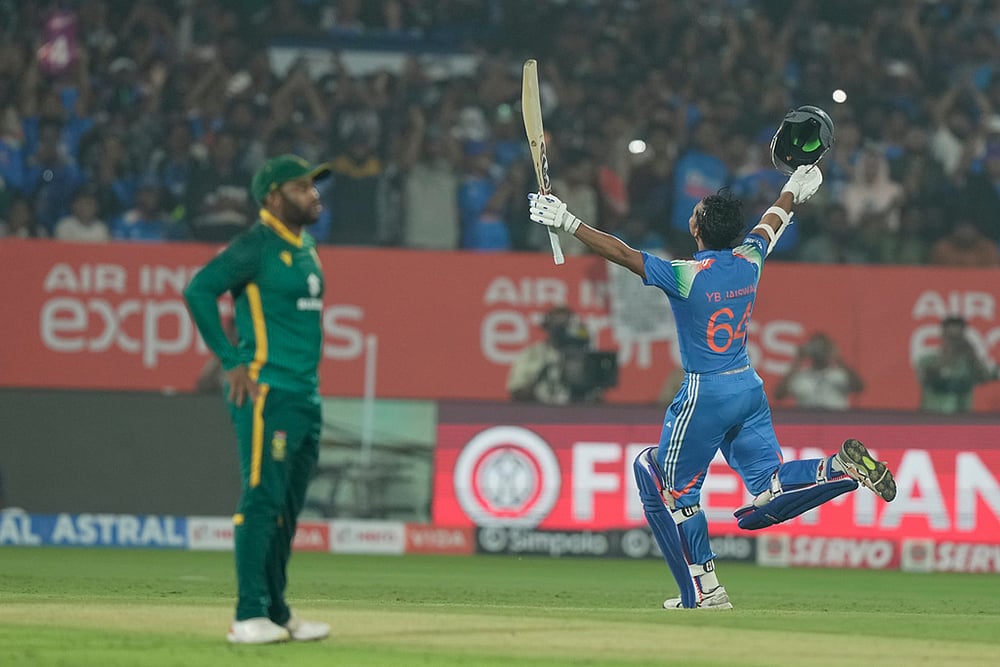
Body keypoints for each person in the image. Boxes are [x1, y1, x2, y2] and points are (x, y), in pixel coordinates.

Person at [528, 164, 897, 610]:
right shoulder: (749, 259)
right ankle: (837, 467)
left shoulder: (687, 275)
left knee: (675, 490)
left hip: (706, 395)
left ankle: (707, 590)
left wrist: (568, 222)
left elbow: (624, 255)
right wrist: (794, 189)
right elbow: (773, 220)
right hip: (748, 388)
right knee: (767, 486)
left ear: (696, 226)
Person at [183, 154, 331, 644]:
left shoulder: (305, 246)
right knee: (262, 502)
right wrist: (230, 360)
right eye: (302, 187)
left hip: (305, 396)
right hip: (268, 392)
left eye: (313, 186)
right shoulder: (255, 245)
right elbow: (200, 290)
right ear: (272, 197)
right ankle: (248, 615)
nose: (314, 193)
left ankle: (278, 611)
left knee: (287, 510)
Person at [506, 306, 605, 405]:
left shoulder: (582, 356)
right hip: (539, 412)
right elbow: (516, 391)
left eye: (565, 325)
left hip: (575, 412)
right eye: (557, 325)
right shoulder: (532, 354)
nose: (560, 330)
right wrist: (540, 379)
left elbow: (596, 396)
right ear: (547, 327)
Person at [916, 316, 999, 413]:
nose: (954, 342)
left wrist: (974, 358)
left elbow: (985, 378)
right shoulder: (927, 359)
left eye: (958, 338)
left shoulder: (968, 363)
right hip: (932, 416)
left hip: (962, 419)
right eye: (951, 337)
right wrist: (948, 358)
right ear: (943, 335)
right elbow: (928, 380)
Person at [773, 332, 865, 410]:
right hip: (807, 424)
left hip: (836, 423)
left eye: (822, 348)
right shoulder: (800, 376)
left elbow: (859, 387)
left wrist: (838, 358)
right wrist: (797, 361)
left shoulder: (840, 374)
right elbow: (778, 395)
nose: (819, 352)